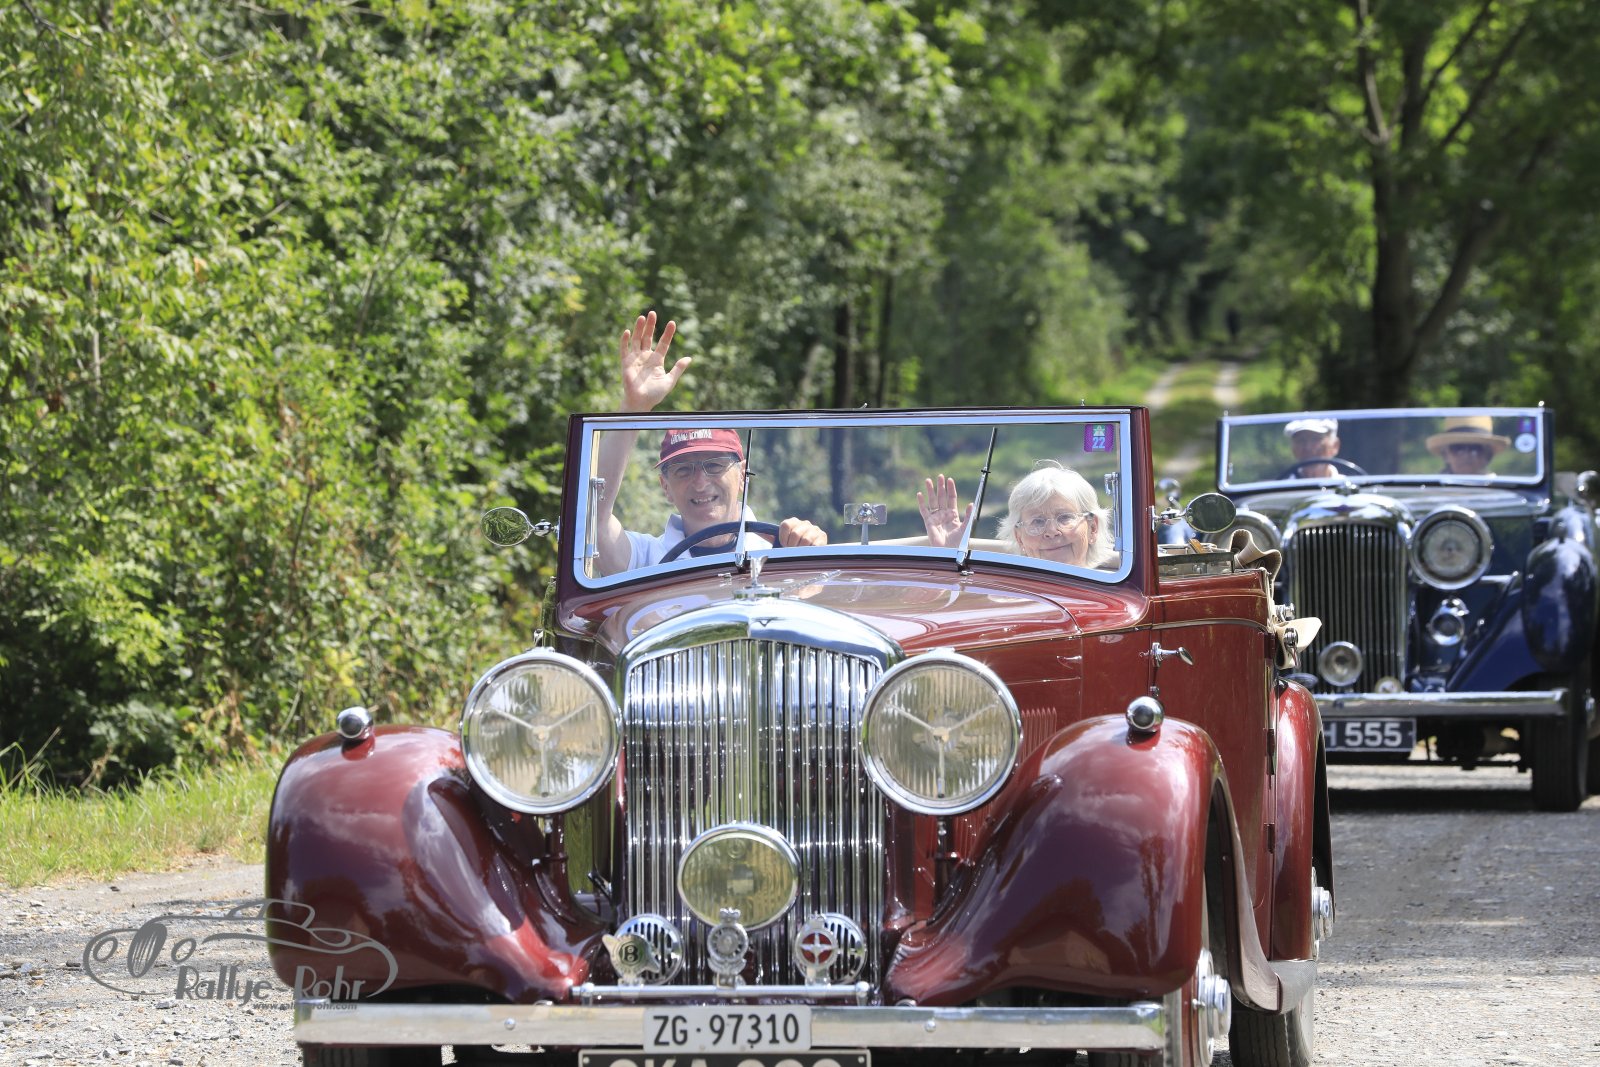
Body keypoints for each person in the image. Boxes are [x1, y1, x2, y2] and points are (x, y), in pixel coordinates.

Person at [592, 312, 828, 576]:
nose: (700, 482)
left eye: (714, 466)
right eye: (683, 470)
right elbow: (592, 520)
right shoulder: (646, 559)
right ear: (666, 487)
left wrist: (813, 550)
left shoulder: (783, 552)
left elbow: (821, 591)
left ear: (742, 476)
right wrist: (634, 407)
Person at [919, 462, 1114, 568]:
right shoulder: (1002, 597)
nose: (1051, 531)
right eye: (1037, 521)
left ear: (1093, 528)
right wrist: (948, 559)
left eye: (1065, 518)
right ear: (1019, 537)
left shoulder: (1120, 596)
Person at [1426, 414, 1508, 476]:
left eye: (1475, 448)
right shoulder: (1431, 488)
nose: (1466, 455)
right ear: (1446, 455)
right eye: (1458, 448)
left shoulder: (1501, 489)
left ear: (1487, 455)